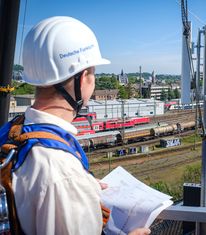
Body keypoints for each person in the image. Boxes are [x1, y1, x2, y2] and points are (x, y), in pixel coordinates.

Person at [10, 16, 151, 235]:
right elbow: (55, 180)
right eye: (93, 73)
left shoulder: (12, 132)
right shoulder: (61, 171)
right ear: (83, 77)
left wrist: (82, 186)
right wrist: (74, 185)